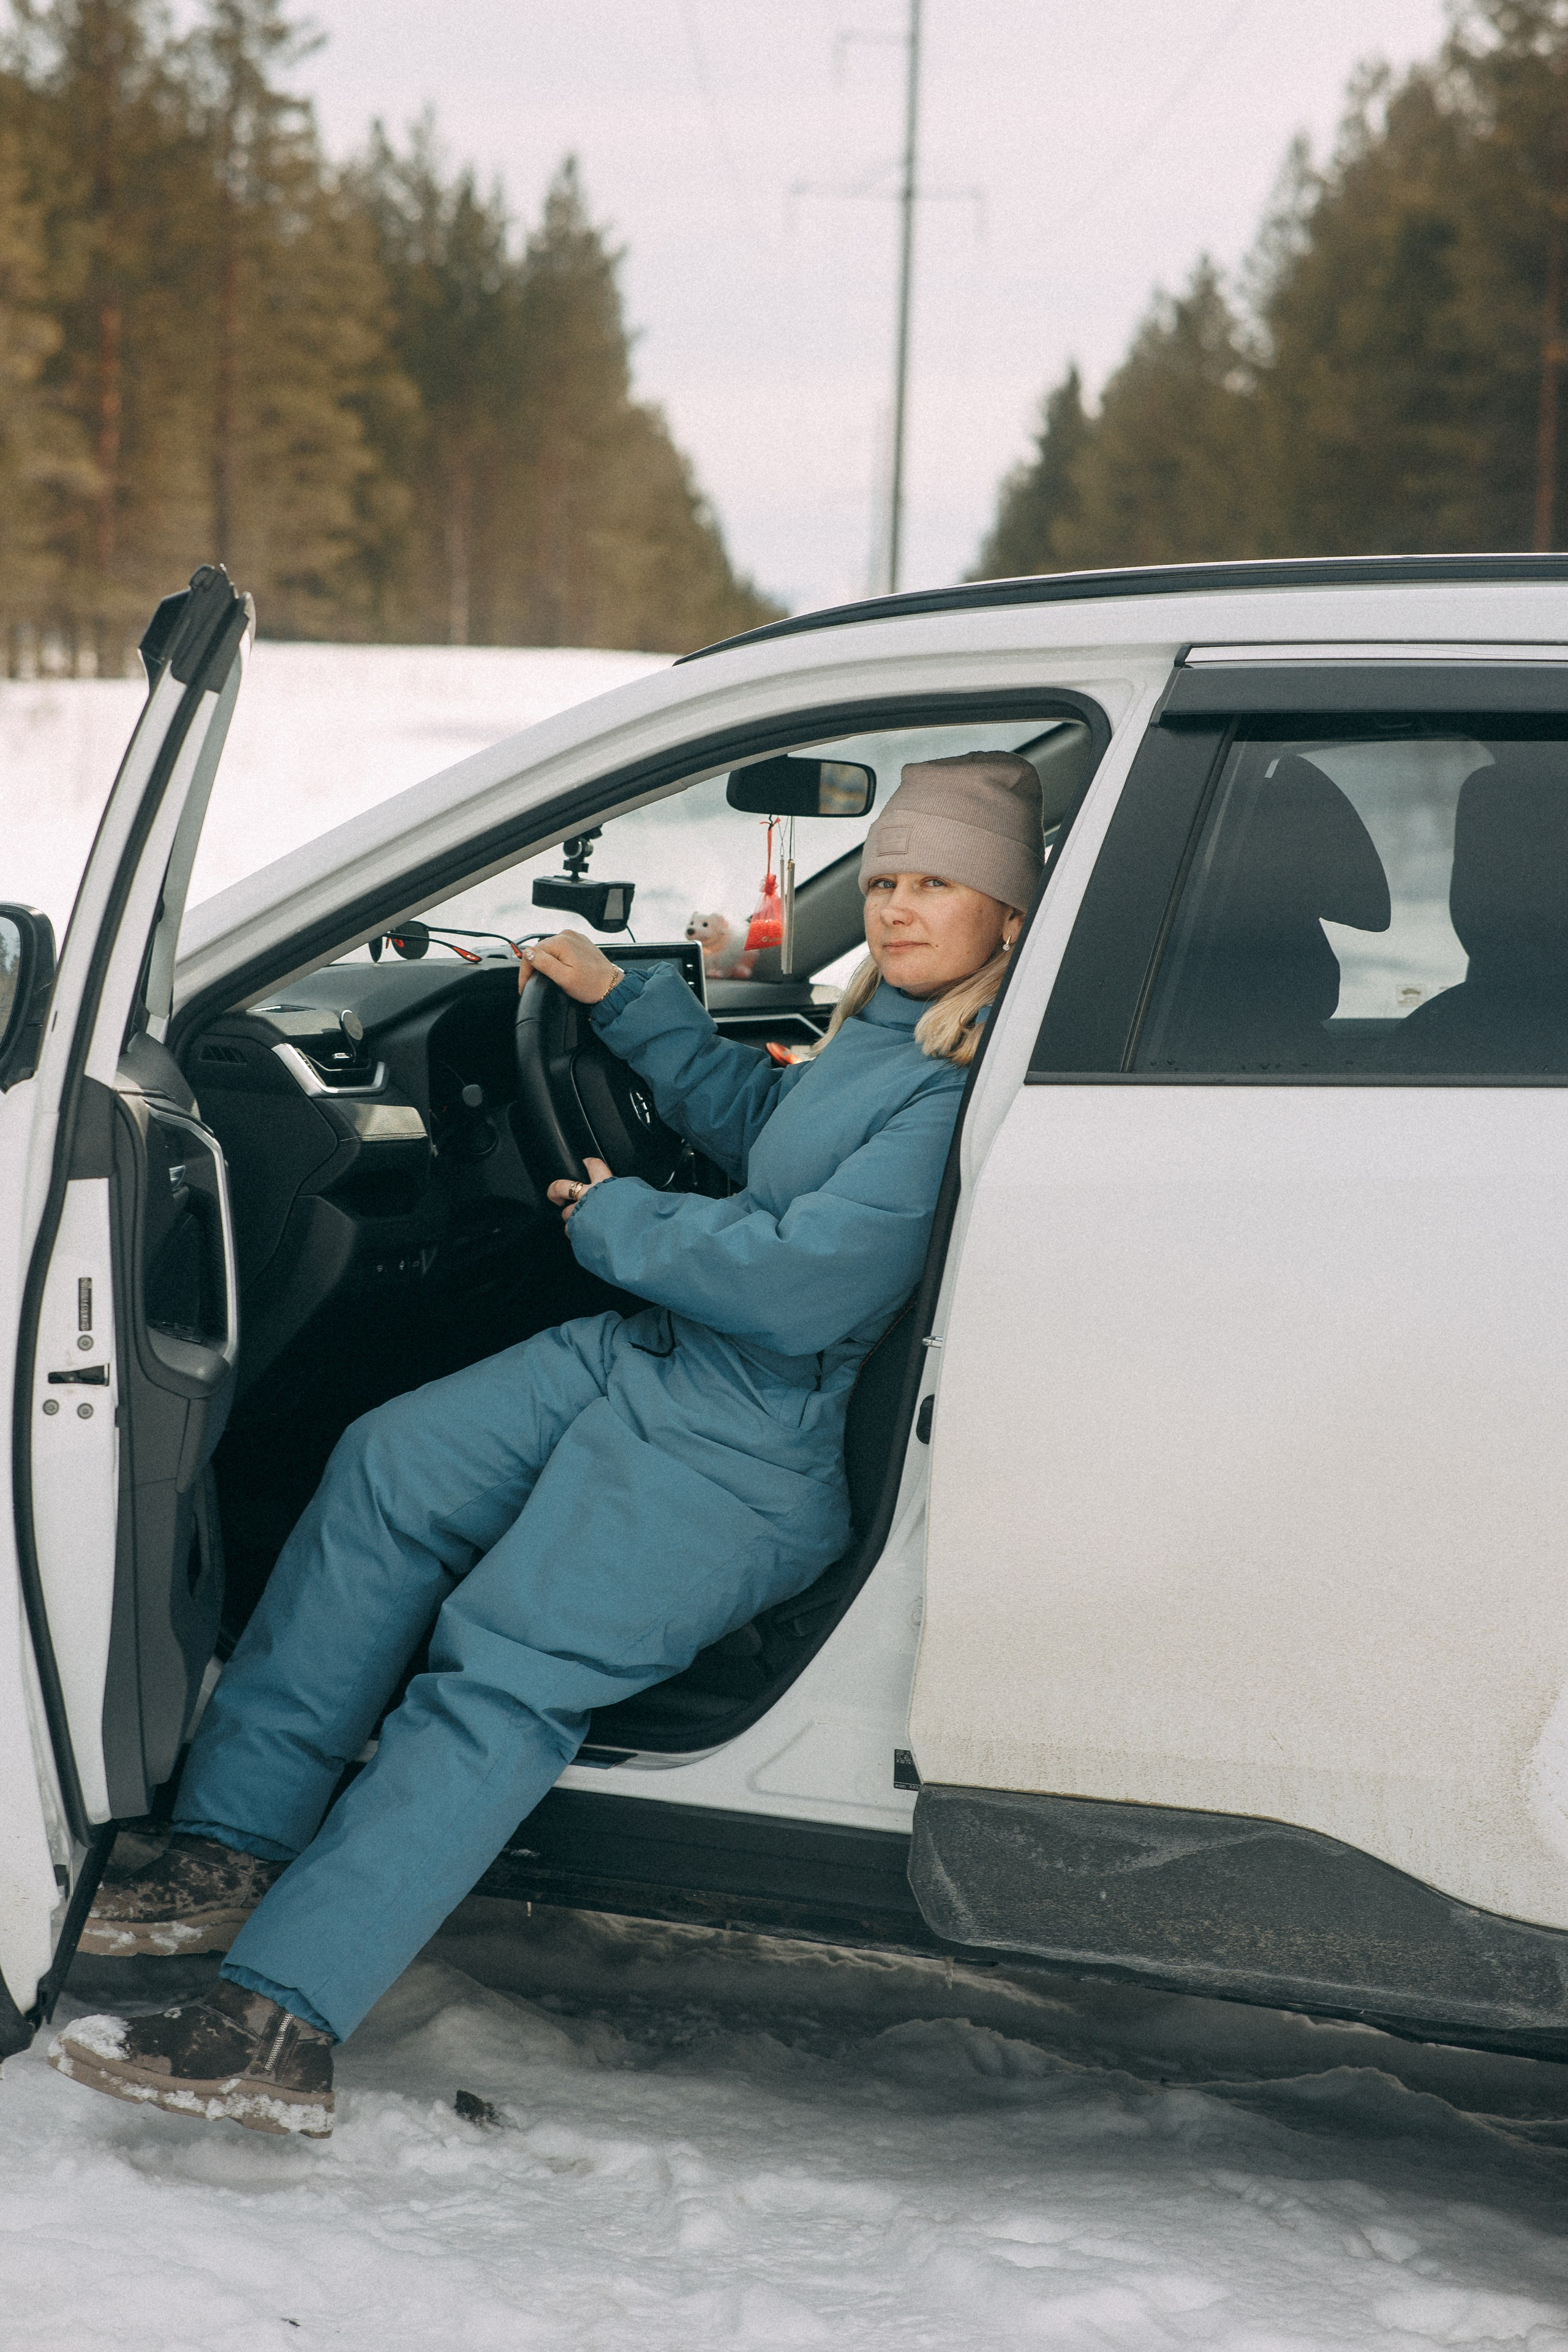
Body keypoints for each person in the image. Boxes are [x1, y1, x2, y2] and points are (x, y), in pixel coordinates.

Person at [48, 752, 1043, 2138]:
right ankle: (232, 1846)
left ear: (1008, 913)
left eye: (937, 883)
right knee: (389, 1467)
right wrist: (623, 1002)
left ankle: (275, 2023)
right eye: (884, 879)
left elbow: (800, 1282)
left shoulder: (957, 1083)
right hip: (659, 1352)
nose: (895, 906)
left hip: (750, 1439)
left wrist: (620, 1220)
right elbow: (766, 1129)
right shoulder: (882, 1032)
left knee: (503, 1670)